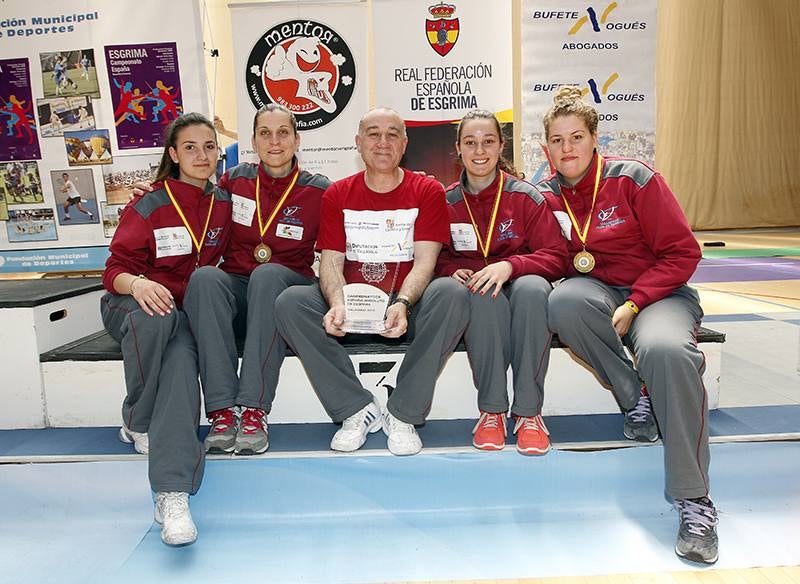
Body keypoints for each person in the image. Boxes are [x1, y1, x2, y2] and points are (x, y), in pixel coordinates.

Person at [539, 87, 717, 564]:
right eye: (556, 140)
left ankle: (694, 501)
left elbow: (684, 252)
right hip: (597, 292)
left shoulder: (634, 179)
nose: (567, 148)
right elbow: (552, 257)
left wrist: (637, 303)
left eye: (576, 136)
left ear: (595, 138)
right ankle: (635, 397)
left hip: (658, 294)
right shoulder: (547, 195)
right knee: (563, 303)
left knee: (666, 352)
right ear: (545, 148)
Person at [274, 107, 468, 456]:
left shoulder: (427, 190)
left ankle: (402, 412)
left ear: (404, 144)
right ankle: (355, 409)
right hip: (352, 308)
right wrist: (336, 303)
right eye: (373, 134)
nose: (382, 142)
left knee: (451, 293)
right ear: (358, 143)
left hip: (406, 306)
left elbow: (426, 261)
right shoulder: (337, 194)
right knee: (291, 302)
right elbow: (331, 261)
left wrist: (404, 303)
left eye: (392, 134)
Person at [100, 112, 232, 546]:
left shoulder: (225, 203)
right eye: (190, 147)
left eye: (209, 146)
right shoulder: (149, 203)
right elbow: (114, 269)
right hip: (133, 305)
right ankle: (138, 418)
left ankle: (171, 495)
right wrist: (139, 284)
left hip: (182, 318)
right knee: (156, 317)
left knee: (179, 371)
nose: (201, 155)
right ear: (173, 155)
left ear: (219, 152)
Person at [182, 104, 330, 455]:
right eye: (265, 133)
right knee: (204, 278)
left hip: (287, 290)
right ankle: (221, 411)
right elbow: (191, 202)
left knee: (266, 274)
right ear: (253, 140)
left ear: (297, 140)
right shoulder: (234, 179)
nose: (274, 141)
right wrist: (152, 190)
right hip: (239, 290)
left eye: (283, 133)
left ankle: (252, 409)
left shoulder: (319, 189)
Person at [436, 110, 569, 454]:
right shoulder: (446, 202)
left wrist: (511, 266)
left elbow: (556, 255)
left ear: (501, 146)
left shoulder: (525, 196)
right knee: (482, 292)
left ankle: (528, 413)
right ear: (459, 149)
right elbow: (432, 256)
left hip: (521, 283)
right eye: (471, 142)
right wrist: (450, 269)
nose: (479, 151)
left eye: (488, 142)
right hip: (482, 293)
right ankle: (492, 410)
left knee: (534, 289)